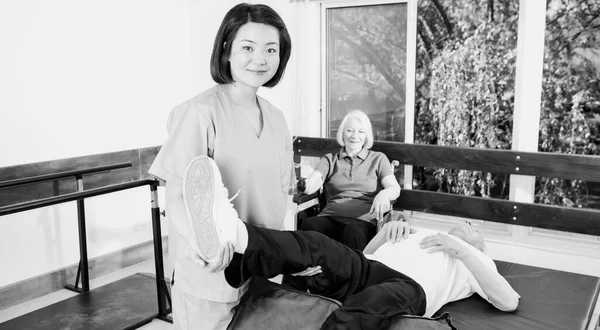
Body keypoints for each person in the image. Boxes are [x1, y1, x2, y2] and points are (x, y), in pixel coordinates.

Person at [183, 155, 521, 330]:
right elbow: (364, 255)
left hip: (409, 287)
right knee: (316, 242)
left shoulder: (476, 259)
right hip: (370, 265)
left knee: (371, 304)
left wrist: (463, 250)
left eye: (473, 229)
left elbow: (507, 302)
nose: (467, 226)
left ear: (480, 243)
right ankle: (237, 239)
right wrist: (384, 235)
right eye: (465, 223)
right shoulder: (416, 229)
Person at [148, 3, 295, 329]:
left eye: (271, 49)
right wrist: (202, 245)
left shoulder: (277, 119)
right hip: (212, 273)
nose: (261, 59)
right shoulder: (198, 114)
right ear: (226, 50)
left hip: (262, 269)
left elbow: (280, 195)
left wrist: (292, 254)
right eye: (248, 47)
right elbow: (176, 198)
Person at [298, 110, 401, 250]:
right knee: (311, 225)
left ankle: (349, 272)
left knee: (352, 232)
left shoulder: (378, 159)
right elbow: (313, 181)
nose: (355, 136)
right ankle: (312, 270)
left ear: (366, 136)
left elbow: (394, 188)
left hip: (364, 221)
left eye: (361, 132)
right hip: (331, 216)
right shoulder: (330, 159)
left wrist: (385, 193)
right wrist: (303, 185)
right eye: (350, 131)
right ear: (342, 134)